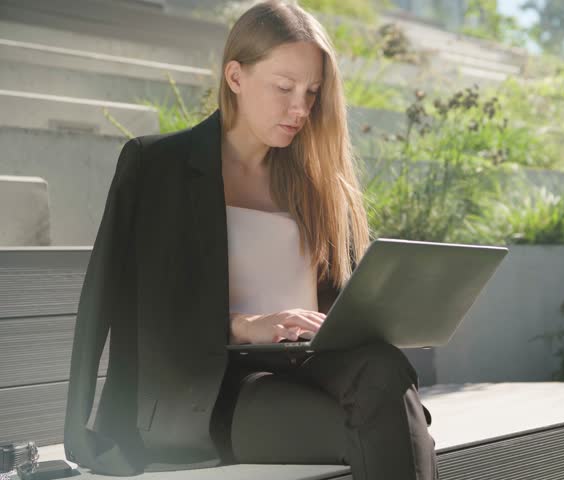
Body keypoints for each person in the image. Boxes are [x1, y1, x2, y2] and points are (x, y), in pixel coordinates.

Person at [63, 1, 438, 478]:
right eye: (284, 88)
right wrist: (242, 326)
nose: (300, 108)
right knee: (388, 429)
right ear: (235, 77)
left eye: (312, 91)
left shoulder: (317, 180)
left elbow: (340, 303)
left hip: (312, 364)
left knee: (384, 368)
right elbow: (130, 304)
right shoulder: (158, 166)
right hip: (218, 388)